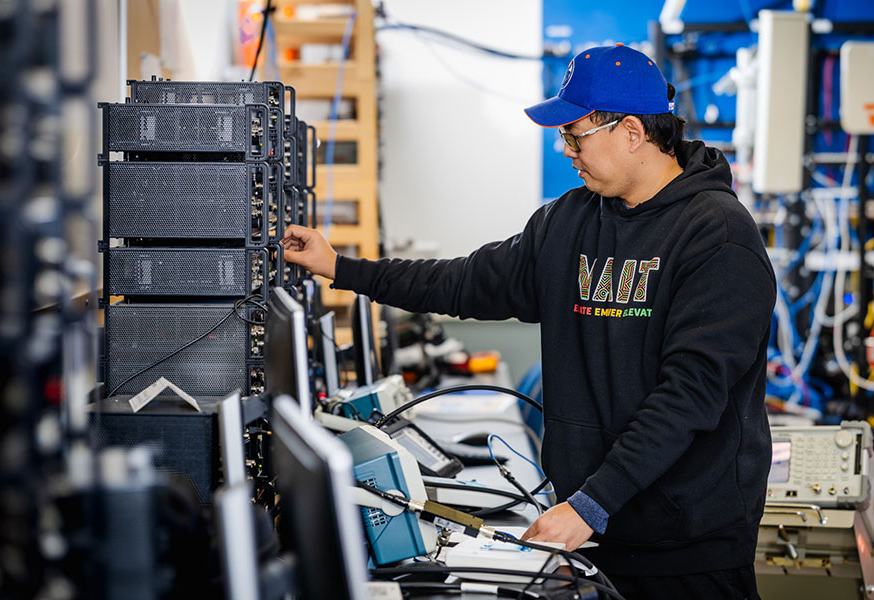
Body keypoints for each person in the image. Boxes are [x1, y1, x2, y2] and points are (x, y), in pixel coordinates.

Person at [283, 44, 775, 600]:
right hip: (594, 534)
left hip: (687, 547)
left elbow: (688, 396)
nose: (567, 151)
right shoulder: (570, 222)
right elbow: (466, 281)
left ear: (632, 132)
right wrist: (342, 268)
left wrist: (592, 503)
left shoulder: (719, 238)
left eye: (575, 135)